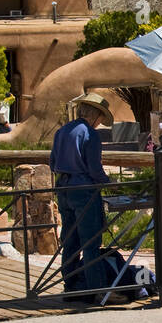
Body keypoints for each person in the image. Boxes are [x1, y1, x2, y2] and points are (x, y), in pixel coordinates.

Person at [50, 93, 114, 300]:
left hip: (64, 188)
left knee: (70, 240)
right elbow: (94, 168)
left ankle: (70, 285)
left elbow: (52, 162)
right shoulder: (90, 134)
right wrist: (108, 183)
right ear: (96, 116)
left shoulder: (62, 131)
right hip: (84, 190)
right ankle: (96, 289)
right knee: (91, 241)